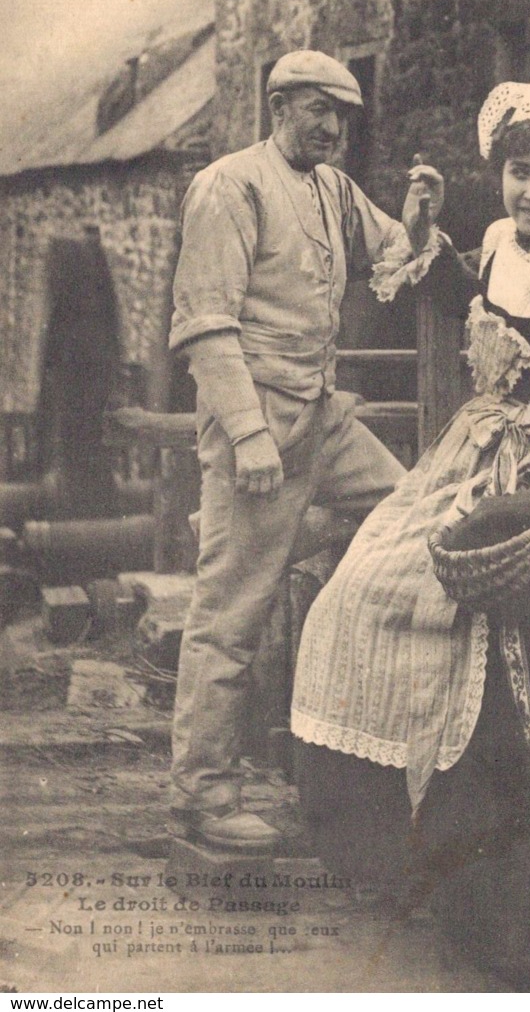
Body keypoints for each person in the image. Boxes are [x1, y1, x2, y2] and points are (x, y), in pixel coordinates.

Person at [290, 77, 530, 902]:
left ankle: (470, 850)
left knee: (451, 619)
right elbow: (471, 308)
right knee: (354, 593)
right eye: (520, 170)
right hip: (471, 448)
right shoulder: (499, 244)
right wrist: (423, 236)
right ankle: (375, 844)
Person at [167, 49, 444, 850]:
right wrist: (249, 435)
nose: (331, 128)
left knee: (407, 521)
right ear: (277, 105)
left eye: (342, 116)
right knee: (228, 614)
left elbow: (395, 260)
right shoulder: (230, 185)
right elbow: (205, 325)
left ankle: (274, 544)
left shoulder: (332, 188)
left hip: (322, 418)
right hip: (255, 426)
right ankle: (203, 795)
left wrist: (419, 215)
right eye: (316, 110)